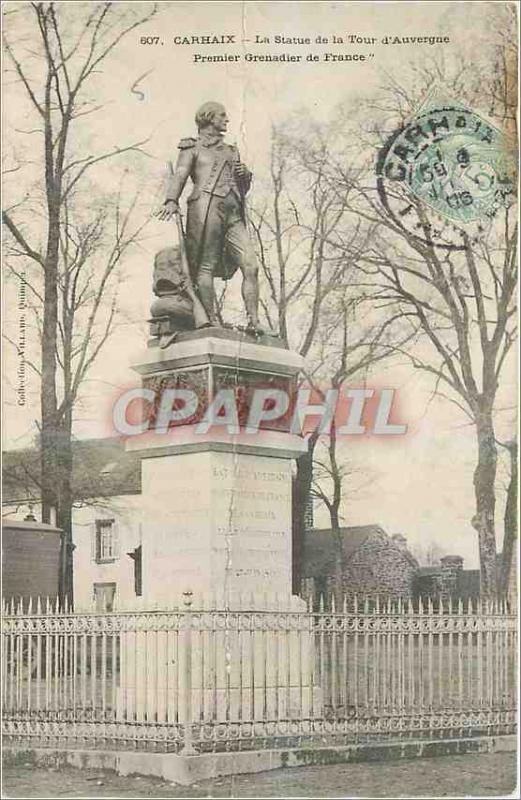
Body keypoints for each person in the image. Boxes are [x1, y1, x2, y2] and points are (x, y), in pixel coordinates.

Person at [156, 101, 261, 332]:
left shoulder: (231, 151)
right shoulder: (191, 148)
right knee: (205, 268)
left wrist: (246, 176)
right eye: (222, 115)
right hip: (205, 208)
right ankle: (211, 321)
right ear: (208, 118)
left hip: (234, 212)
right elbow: (181, 174)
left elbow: (241, 187)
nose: (227, 119)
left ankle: (255, 322)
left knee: (251, 266)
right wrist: (172, 199)